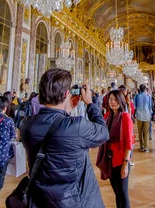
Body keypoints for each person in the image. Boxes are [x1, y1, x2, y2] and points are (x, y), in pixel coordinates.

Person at [20, 69, 109, 207]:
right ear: (67, 93)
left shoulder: (26, 124)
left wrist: (65, 110)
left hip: (41, 199)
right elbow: (103, 132)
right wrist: (90, 104)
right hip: (73, 200)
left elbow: (54, 126)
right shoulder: (76, 126)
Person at [97, 90, 133, 208]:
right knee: (117, 193)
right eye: (111, 99)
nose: (112, 102)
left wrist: (126, 163)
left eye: (115, 99)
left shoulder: (125, 117)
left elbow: (129, 142)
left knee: (123, 193)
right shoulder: (107, 116)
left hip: (121, 160)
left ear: (121, 101)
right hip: (109, 159)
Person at [133, 84, 152, 152]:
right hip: (147, 115)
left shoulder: (137, 96)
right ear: (145, 89)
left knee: (140, 131)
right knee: (146, 132)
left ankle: (142, 146)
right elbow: (150, 107)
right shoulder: (148, 96)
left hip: (139, 115)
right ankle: (146, 147)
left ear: (139, 89)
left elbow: (134, 106)